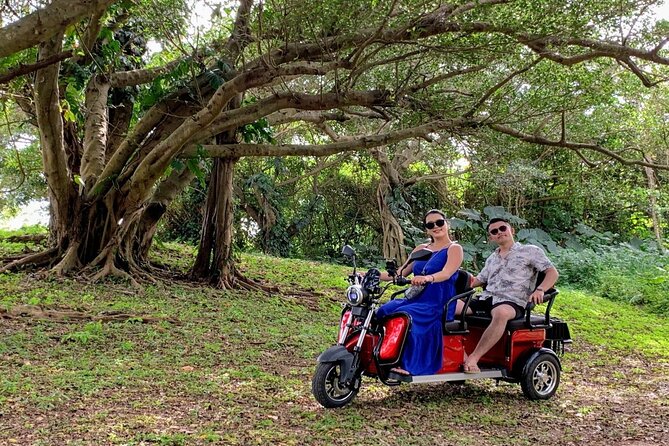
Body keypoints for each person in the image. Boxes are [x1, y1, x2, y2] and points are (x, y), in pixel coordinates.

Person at [458, 217, 559, 374]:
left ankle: (473, 358)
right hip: (486, 298)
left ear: (512, 230)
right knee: (447, 307)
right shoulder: (492, 258)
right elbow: (478, 280)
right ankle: (459, 355)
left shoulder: (530, 251)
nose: (499, 233)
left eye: (502, 228)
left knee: (501, 313)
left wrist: (540, 289)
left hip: (512, 301)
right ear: (491, 237)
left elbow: (552, 272)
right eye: (494, 231)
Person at [376, 209, 464, 376]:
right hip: (415, 298)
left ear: (446, 224)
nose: (436, 227)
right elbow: (400, 273)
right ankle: (382, 354)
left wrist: (428, 278)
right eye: (431, 225)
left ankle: (410, 364)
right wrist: (373, 275)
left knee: (408, 316)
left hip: (438, 301)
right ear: (426, 229)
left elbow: (446, 273)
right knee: (384, 310)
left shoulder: (454, 248)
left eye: (439, 222)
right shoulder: (421, 248)